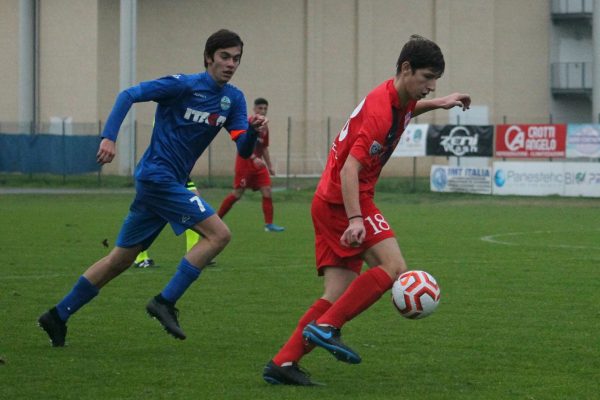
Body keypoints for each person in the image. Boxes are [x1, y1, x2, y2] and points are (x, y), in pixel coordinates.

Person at [262, 34, 471, 386]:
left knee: (337, 294)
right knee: (394, 267)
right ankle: (328, 326)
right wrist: (357, 219)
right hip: (344, 200)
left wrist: (439, 103)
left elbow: (407, 111)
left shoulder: (396, 97)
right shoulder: (378, 112)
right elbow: (349, 170)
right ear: (406, 69)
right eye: (427, 78)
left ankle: (283, 363)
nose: (430, 85)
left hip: (329, 200)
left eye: (436, 80)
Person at [37, 29, 264, 346]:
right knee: (219, 234)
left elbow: (242, 148)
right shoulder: (183, 85)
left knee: (120, 260)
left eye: (236, 58)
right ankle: (165, 301)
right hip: (158, 177)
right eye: (225, 56)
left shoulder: (233, 99)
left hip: (164, 184)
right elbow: (128, 94)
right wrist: (109, 136)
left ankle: (57, 316)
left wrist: (252, 132)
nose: (231, 64)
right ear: (209, 57)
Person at [217, 97, 284, 232]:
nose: (263, 111)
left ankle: (269, 225)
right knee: (237, 193)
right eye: (260, 108)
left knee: (267, 191)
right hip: (245, 163)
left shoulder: (265, 127)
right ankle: (216, 219)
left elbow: (264, 147)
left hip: (259, 166)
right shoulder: (248, 123)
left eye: (265, 108)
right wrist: (253, 158)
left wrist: (269, 165)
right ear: (254, 109)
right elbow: (242, 143)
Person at [132, 179, 215, 268]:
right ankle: (140, 258)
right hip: (161, 176)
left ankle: (194, 253)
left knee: (194, 211)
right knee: (151, 215)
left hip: (179, 175)